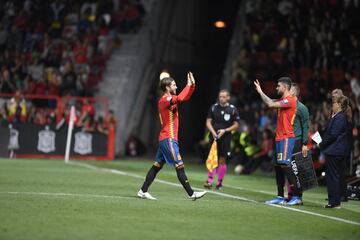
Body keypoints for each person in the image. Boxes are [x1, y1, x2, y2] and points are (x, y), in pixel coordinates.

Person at [137, 72, 206, 200]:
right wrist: (188, 85)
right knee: (179, 165)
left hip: (166, 138)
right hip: (168, 139)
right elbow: (180, 98)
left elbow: (183, 97)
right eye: (174, 85)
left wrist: (191, 86)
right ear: (167, 87)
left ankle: (143, 190)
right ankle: (191, 194)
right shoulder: (164, 100)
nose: (176, 87)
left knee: (157, 166)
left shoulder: (169, 99)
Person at [254, 77, 302, 206]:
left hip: (287, 137)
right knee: (278, 167)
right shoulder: (282, 100)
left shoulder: (290, 100)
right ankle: (280, 196)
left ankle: (297, 195)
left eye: (278, 86)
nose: (276, 88)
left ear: (285, 87)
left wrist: (260, 92)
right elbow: (269, 102)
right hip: (278, 138)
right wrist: (261, 93)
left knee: (286, 165)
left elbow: (270, 104)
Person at [319, 95, 351, 208]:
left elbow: (333, 135)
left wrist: (321, 144)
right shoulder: (338, 116)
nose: (332, 104)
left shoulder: (340, 117)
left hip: (335, 151)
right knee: (334, 177)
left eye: (334, 103)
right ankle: (334, 201)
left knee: (333, 177)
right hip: (336, 151)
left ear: (339, 105)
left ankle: (334, 202)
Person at [204, 89, 240, 190]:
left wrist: (225, 130)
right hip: (214, 137)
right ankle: (209, 181)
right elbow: (208, 122)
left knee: (222, 160)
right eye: (220, 96)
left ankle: (219, 182)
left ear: (228, 98)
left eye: (224, 97)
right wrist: (213, 133)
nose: (222, 98)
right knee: (212, 158)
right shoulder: (213, 107)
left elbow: (236, 125)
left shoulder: (232, 109)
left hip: (226, 138)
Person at [286, 83, 310, 201]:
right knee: (288, 169)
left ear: (294, 92)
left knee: (295, 169)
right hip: (288, 140)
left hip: (297, 140)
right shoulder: (288, 106)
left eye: (288, 90)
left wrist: (305, 143)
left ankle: (297, 196)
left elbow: (306, 126)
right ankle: (290, 195)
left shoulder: (301, 108)